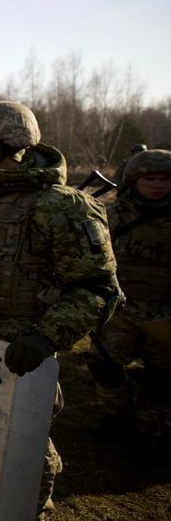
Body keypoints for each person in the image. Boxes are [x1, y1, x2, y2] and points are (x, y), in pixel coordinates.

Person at [0, 100, 122, 517]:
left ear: (12, 145)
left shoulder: (62, 207)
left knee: (22, 454)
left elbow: (98, 288)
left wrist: (46, 335)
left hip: (20, 357)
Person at [87, 149, 171, 445]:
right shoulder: (112, 215)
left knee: (162, 379)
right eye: (150, 178)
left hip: (165, 314)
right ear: (134, 180)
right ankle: (117, 413)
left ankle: (153, 430)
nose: (158, 184)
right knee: (103, 365)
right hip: (120, 310)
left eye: (164, 179)